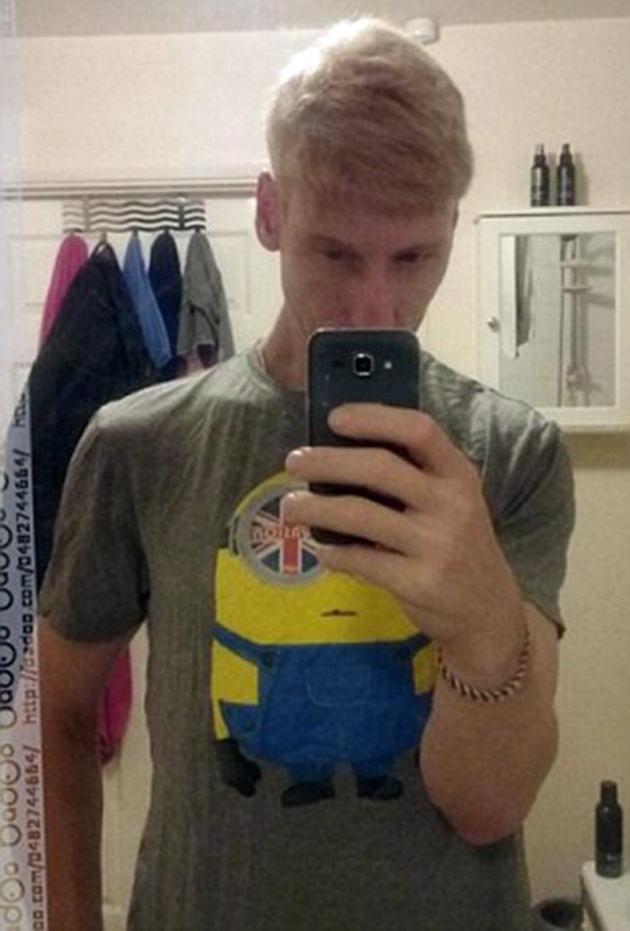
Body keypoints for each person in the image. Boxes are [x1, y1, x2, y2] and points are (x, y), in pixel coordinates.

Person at [37, 17, 575, 931]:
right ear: (270, 212)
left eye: (414, 256)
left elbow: (486, 806)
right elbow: (60, 708)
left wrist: (484, 620)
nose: (375, 305)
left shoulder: (513, 451)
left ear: (451, 226)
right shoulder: (137, 442)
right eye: (335, 252)